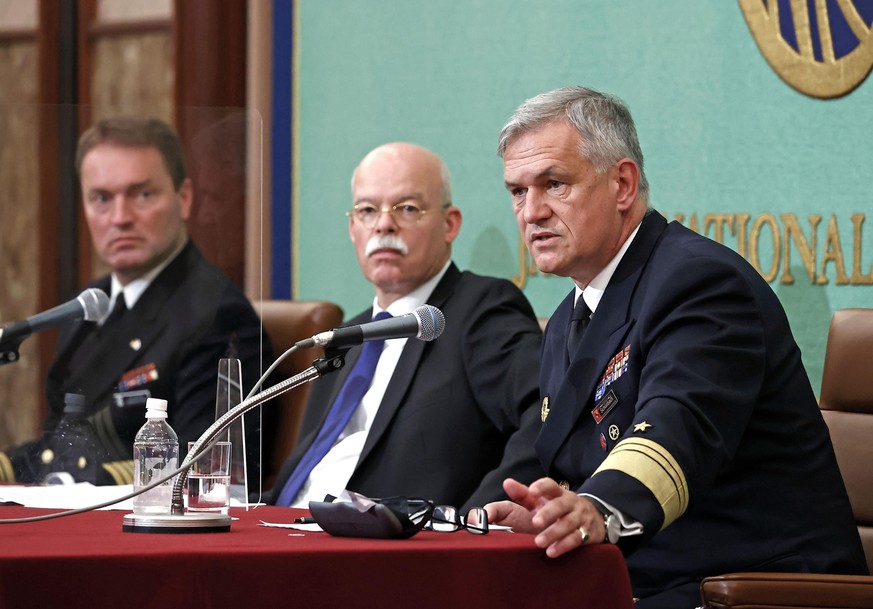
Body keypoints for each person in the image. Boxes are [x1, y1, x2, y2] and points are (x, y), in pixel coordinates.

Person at [485, 86, 868, 608]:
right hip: (648, 579)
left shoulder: (700, 283)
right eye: (517, 191)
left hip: (756, 585)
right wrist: (548, 516)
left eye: (554, 184)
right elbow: (569, 466)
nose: (532, 212)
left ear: (623, 184)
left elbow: (675, 433)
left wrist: (596, 509)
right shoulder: (567, 322)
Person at [267, 142, 544, 510]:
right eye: (367, 210)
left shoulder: (480, 310)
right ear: (353, 228)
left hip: (389, 550)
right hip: (285, 528)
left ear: (450, 224)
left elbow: (545, 412)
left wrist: (474, 522)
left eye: (407, 208)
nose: (384, 224)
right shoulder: (345, 338)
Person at [0, 117, 271, 486]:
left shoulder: (218, 316)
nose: (120, 218)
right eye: (102, 198)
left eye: (142, 194)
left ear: (185, 198)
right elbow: (60, 444)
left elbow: (202, 474)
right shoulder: (88, 306)